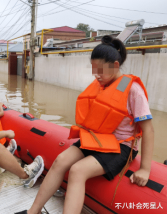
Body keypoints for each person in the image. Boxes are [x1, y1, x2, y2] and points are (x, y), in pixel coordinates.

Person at [15, 35, 154, 214]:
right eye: (94, 70)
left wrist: (145, 169)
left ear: (115, 66)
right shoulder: (101, 84)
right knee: (60, 161)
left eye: (100, 71)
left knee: (77, 171)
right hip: (97, 139)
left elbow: (148, 130)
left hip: (120, 146)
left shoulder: (133, 90)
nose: (96, 76)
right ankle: (33, 211)